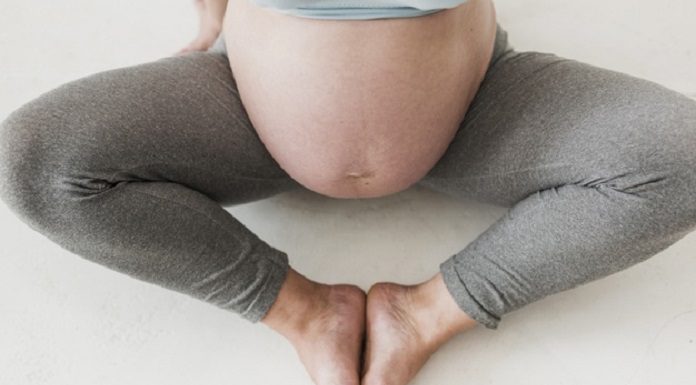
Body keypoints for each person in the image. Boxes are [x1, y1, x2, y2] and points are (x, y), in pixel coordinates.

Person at [0, 1, 694, 384]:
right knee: (37, 160)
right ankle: (309, 314)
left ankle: (418, 316)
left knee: (682, 158)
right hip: (248, 100)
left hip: (471, 102)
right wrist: (211, 25)